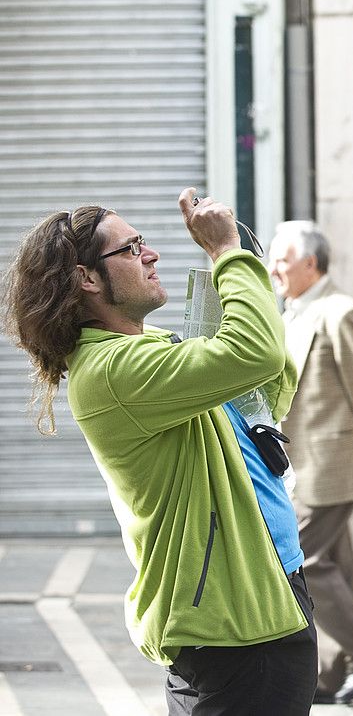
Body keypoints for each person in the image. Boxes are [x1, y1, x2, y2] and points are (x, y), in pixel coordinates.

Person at [2, 190, 317, 714]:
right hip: (232, 621)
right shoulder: (113, 372)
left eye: (143, 243)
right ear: (87, 278)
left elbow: (268, 383)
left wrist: (239, 296)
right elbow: (253, 353)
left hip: (265, 587)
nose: (151, 255)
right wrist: (225, 254)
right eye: (130, 249)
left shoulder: (151, 348)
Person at [267, 221, 353, 705]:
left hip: (332, 465)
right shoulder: (292, 312)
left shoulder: (341, 313)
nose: (274, 268)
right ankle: (327, 675)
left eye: (282, 259)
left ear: (311, 263)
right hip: (300, 466)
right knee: (335, 567)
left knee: (302, 561)